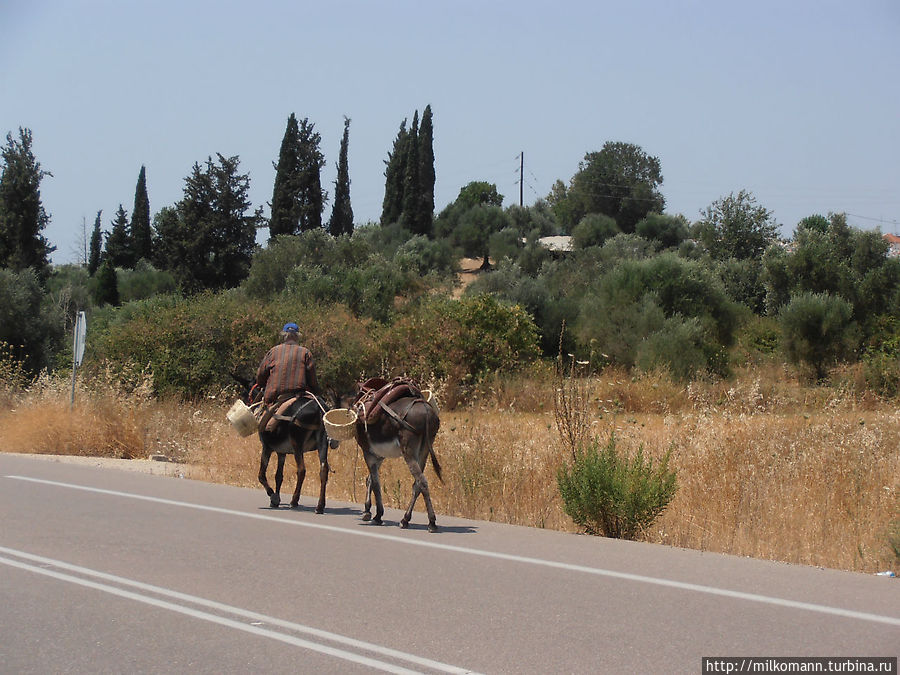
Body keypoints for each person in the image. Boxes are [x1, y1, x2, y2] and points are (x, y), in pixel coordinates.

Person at [255, 322, 318, 405]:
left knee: (257, 415)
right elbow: (312, 380)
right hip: (298, 397)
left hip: (273, 397)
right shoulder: (305, 352)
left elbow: (261, 375)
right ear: (297, 336)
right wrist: (316, 390)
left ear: (284, 336)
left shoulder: (273, 351)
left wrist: (261, 384)